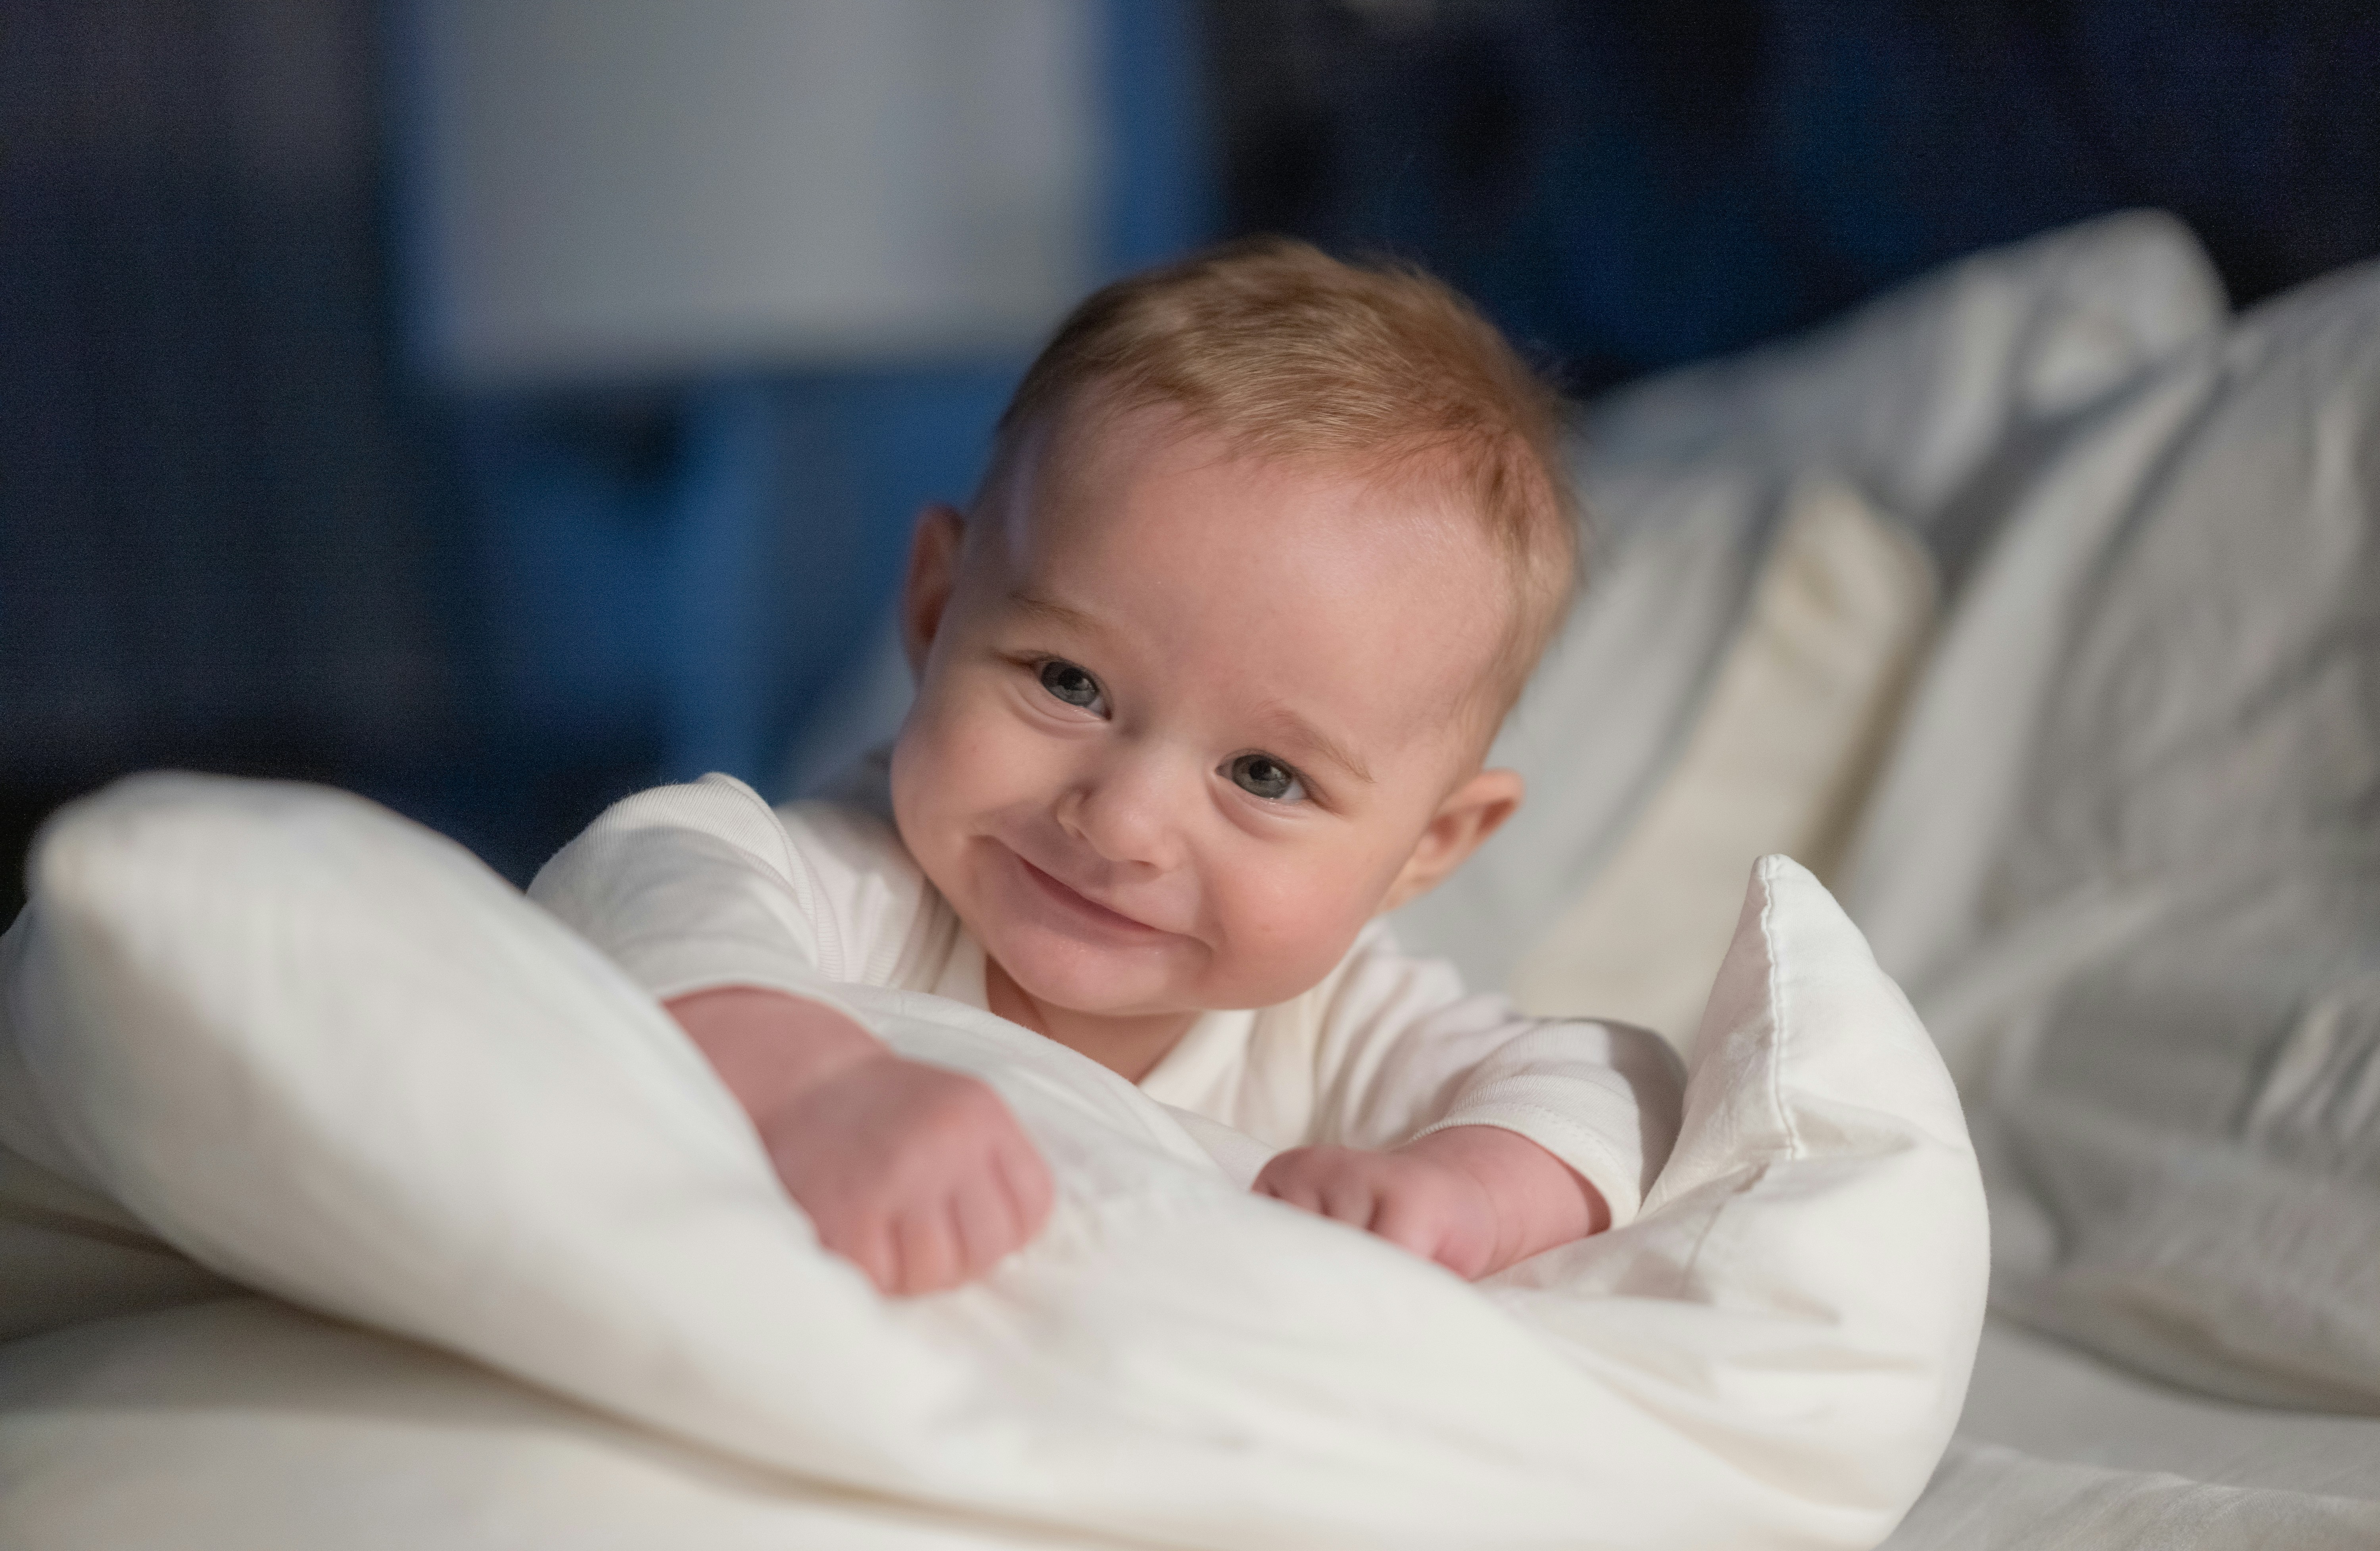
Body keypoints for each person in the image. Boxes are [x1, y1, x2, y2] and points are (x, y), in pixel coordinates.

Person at [530, 238, 1682, 1296]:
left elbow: (1617, 1092)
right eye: (1068, 684)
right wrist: (809, 1083)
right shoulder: (860, 885)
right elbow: (643, 874)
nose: (1122, 821)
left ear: (1426, 847)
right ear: (937, 611)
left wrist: (1470, 1197)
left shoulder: (1346, 1031)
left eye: (1266, 777)